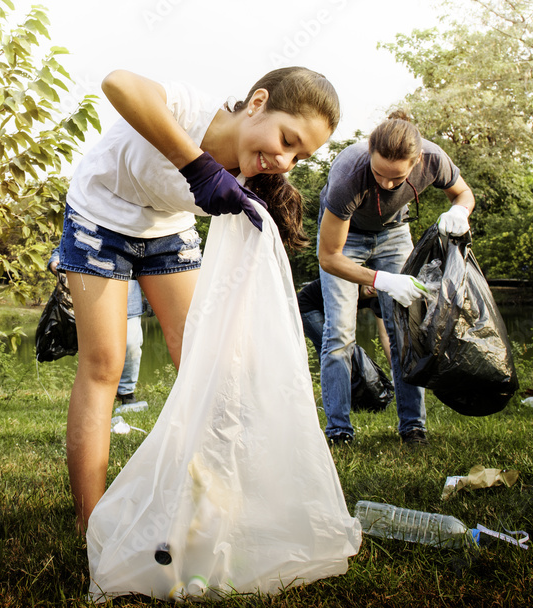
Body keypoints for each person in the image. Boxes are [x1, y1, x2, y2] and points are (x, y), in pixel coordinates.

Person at [60, 67, 339, 532]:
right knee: (105, 363)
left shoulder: (250, 177)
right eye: (286, 139)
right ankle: (90, 520)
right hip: (99, 214)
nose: (286, 160)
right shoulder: (190, 106)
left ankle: (215, 495)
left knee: (202, 356)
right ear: (257, 103)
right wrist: (199, 166)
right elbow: (117, 84)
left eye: (299, 155)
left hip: (167, 230)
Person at [316, 111, 474, 446]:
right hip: (347, 238)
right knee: (339, 335)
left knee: (406, 331)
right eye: (380, 175)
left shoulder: (434, 160)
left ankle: (413, 427)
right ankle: (339, 432)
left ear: (416, 161)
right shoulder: (349, 174)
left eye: (396, 179)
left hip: (395, 234)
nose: (387, 185)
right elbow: (329, 257)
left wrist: (459, 211)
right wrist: (384, 281)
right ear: (370, 151)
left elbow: (463, 194)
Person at [49, 250, 146, 403]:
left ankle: (126, 392)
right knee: (99, 350)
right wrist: (55, 261)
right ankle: (98, 394)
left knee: (131, 344)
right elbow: (71, 239)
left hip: (130, 293)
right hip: (96, 293)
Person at [297, 278, 391, 364]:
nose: (373, 288)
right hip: (308, 305)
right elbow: (342, 324)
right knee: (332, 346)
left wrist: (394, 369)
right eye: (372, 283)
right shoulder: (351, 284)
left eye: (378, 288)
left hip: (327, 308)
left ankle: (333, 379)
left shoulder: (376, 300)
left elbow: (385, 336)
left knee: (331, 349)